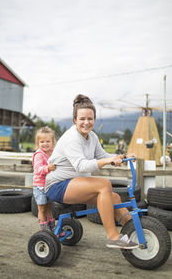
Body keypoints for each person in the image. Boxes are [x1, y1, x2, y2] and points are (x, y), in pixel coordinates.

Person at [45, 95, 138, 249]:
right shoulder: (71, 138)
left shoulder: (92, 137)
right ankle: (113, 236)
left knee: (114, 197)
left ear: (94, 119)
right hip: (57, 185)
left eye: (90, 118)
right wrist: (108, 161)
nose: (86, 122)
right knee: (104, 185)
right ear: (74, 120)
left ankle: (134, 230)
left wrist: (123, 157)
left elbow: (103, 156)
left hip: (75, 183)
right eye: (82, 119)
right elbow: (81, 166)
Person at [32, 127, 56, 231]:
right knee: (42, 209)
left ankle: (52, 228)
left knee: (49, 208)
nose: (45, 144)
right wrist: (47, 168)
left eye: (48, 141)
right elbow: (37, 169)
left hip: (49, 185)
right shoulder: (39, 154)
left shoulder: (53, 152)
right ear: (38, 143)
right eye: (42, 142)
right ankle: (45, 231)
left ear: (52, 142)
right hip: (39, 186)